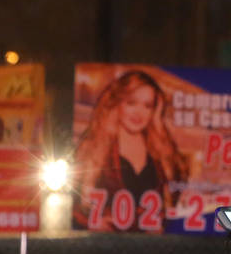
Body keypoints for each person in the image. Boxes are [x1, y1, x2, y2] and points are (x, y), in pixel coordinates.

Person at [72, 70, 187, 231]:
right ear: (117, 103)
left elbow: (176, 195)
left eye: (147, 105)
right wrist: (90, 222)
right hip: (104, 246)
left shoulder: (162, 154)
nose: (139, 112)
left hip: (152, 248)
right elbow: (72, 200)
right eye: (131, 103)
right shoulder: (92, 148)